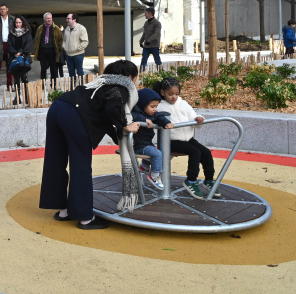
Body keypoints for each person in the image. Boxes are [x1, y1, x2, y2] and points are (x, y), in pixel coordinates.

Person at [39, 60, 140, 230]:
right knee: (81, 165)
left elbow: (104, 115)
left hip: (58, 107)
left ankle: (64, 210)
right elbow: (112, 109)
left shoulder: (99, 83)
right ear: (130, 77)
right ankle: (85, 218)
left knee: (55, 160)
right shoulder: (120, 86)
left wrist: (117, 135)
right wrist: (126, 125)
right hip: (75, 116)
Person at [155, 77, 219, 199]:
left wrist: (198, 119)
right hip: (172, 141)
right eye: (170, 94)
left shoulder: (183, 104)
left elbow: (193, 116)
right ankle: (191, 180)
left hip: (188, 139)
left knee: (206, 152)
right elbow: (156, 119)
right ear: (163, 92)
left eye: (176, 94)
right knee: (195, 152)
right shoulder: (159, 106)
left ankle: (209, 179)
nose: (174, 97)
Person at [130, 88, 172, 190]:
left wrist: (166, 123)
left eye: (156, 106)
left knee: (154, 152)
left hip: (146, 143)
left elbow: (159, 117)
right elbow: (133, 116)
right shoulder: (135, 113)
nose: (155, 109)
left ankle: (144, 166)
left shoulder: (152, 114)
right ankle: (154, 176)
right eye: (152, 106)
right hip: (137, 145)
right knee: (157, 154)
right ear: (142, 104)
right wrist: (144, 120)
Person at [7, 15, 33, 105]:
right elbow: (9, 45)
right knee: (16, 79)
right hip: (14, 58)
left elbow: (29, 44)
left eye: (19, 22)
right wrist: (15, 53)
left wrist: (21, 52)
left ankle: (26, 97)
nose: (18, 24)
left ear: (23, 23)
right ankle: (17, 97)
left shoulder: (27, 33)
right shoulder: (11, 33)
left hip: (24, 58)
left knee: (24, 78)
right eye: (16, 23)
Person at [32, 12, 63, 84]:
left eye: (50, 18)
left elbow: (60, 40)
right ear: (44, 19)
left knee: (53, 69)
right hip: (42, 50)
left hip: (52, 51)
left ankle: (54, 85)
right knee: (43, 69)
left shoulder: (56, 28)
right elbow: (37, 39)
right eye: (47, 18)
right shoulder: (40, 28)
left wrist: (58, 49)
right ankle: (43, 84)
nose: (49, 20)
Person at [63, 14, 89, 80]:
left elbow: (85, 41)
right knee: (71, 72)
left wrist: (77, 48)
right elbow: (64, 40)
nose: (66, 20)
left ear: (74, 19)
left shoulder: (81, 28)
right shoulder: (67, 29)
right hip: (68, 55)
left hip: (78, 55)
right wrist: (65, 47)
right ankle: (73, 85)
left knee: (79, 72)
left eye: (68, 18)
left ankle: (81, 85)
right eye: (67, 18)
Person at [139, 7, 162, 71]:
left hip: (154, 45)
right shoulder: (146, 23)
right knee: (144, 60)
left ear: (150, 13)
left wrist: (149, 40)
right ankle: (141, 73)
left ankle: (161, 73)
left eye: (146, 13)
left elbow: (156, 33)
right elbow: (144, 33)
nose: (144, 15)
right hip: (146, 46)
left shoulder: (157, 23)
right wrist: (141, 41)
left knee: (157, 60)